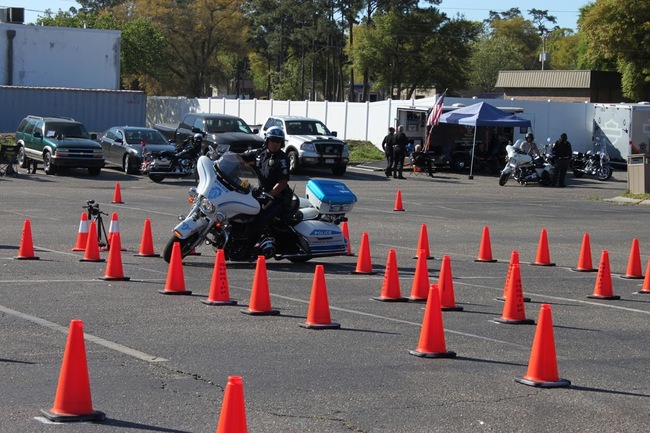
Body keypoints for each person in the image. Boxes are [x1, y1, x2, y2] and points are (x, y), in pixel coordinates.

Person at [238, 126, 293, 254]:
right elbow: (240, 157)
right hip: (261, 194)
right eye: (272, 140)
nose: (275, 144)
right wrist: (223, 157)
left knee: (260, 217)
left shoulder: (282, 159)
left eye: (278, 141)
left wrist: (270, 194)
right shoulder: (260, 153)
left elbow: (283, 182)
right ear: (267, 140)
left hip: (277, 197)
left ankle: (250, 248)